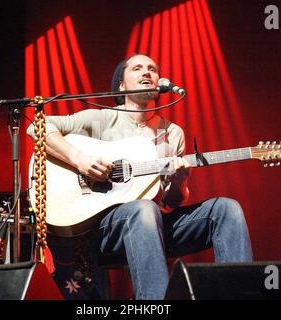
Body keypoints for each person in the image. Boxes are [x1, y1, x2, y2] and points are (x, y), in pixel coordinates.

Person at [28, 54, 253, 300]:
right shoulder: (101, 118)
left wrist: (178, 181)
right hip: (99, 230)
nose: (147, 72)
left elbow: (170, 202)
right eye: (138, 68)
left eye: (152, 69)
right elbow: (36, 127)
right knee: (144, 209)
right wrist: (79, 159)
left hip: (151, 226)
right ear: (122, 86)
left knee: (226, 210)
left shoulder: (172, 133)